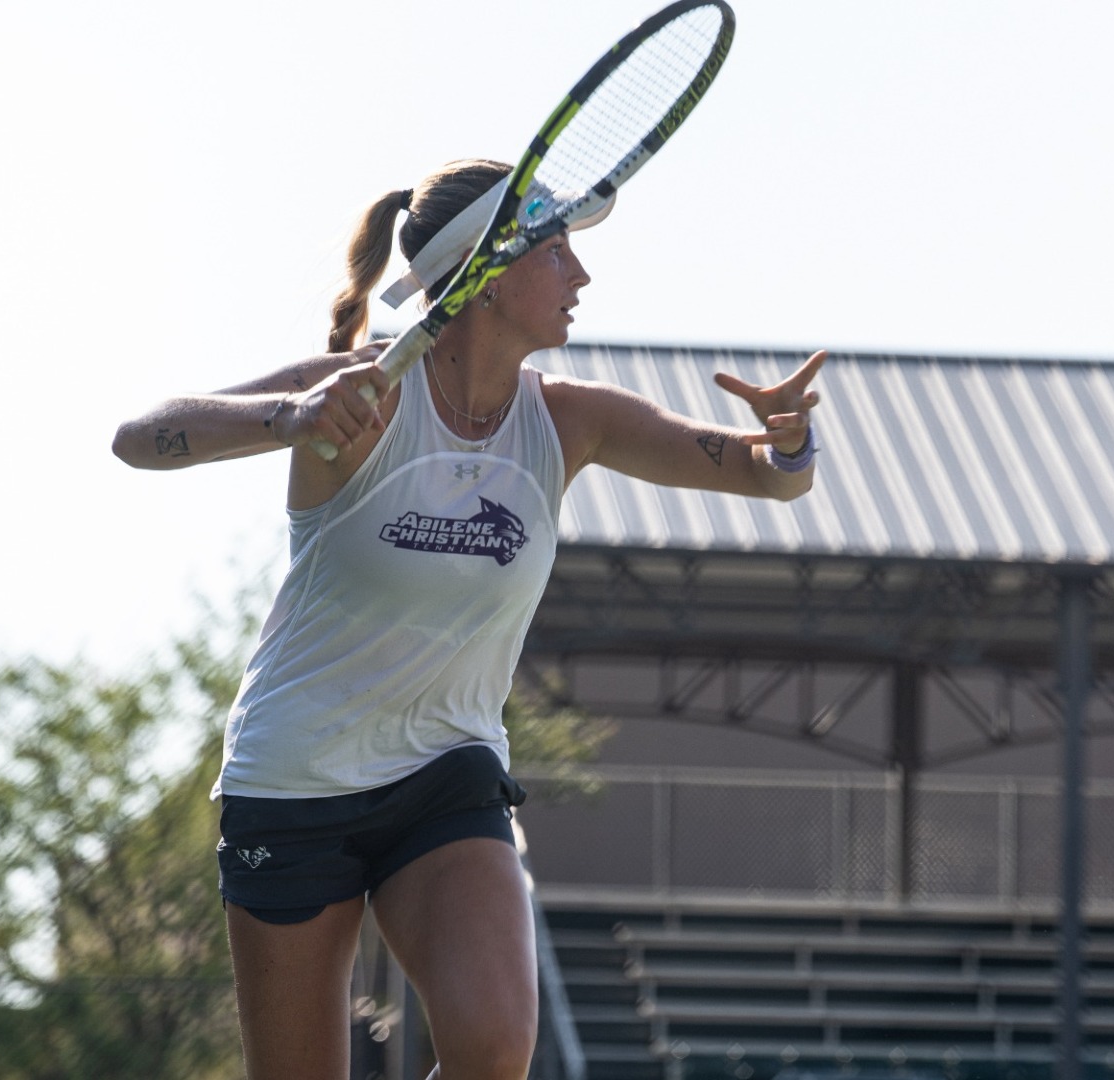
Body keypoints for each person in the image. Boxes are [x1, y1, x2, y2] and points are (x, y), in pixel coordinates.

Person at [111, 157, 822, 1080]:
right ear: (486, 269)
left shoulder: (575, 421)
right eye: (559, 251)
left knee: (493, 1051)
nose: (582, 276)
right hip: (293, 786)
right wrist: (291, 416)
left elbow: (767, 477)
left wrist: (795, 441)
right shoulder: (364, 390)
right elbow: (137, 438)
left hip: (447, 775)